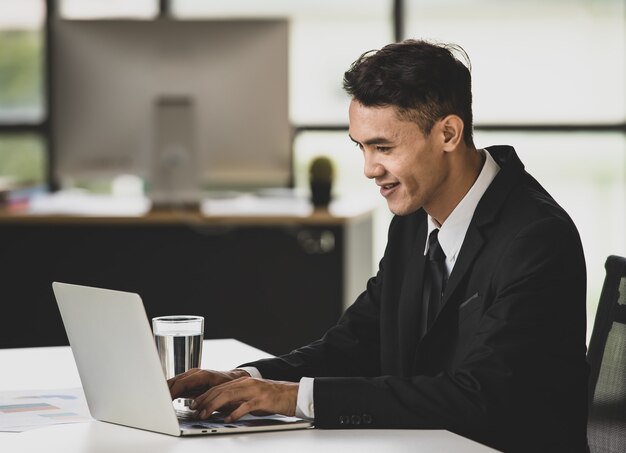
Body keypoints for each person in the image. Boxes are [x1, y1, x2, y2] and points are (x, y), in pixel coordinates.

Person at [168, 39, 589, 452]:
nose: (370, 169)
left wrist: (294, 398)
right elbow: (355, 344)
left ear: (447, 133)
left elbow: (478, 398)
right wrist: (246, 378)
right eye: (362, 147)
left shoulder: (536, 238)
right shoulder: (413, 219)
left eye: (383, 147)